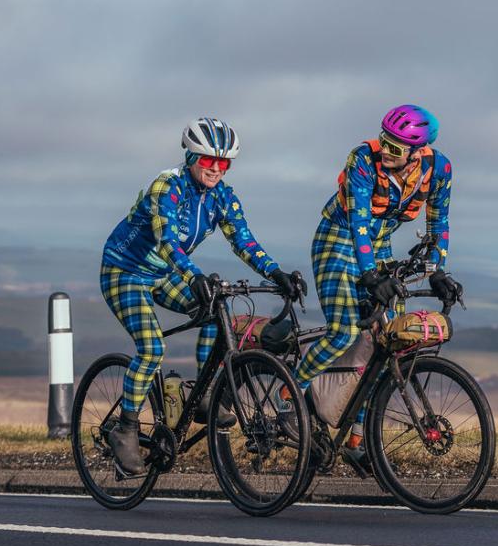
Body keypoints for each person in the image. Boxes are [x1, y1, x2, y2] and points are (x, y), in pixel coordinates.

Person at [101, 117, 304, 475]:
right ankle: (126, 428)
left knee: (215, 310)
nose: (215, 169)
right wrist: (194, 276)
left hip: (164, 275)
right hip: (125, 272)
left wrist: (276, 272)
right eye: (208, 161)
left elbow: (244, 241)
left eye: (223, 163)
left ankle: (204, 392)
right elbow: (168, 243)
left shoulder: (223, 196)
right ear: (191, 156)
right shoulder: (168, 186)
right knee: (152, 348)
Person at [290, 105, 463, 474]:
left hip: (379, 246)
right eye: (385, 141)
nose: (386, 151)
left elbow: (439, 220)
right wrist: (370, 276)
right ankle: (289, 398)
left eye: (397, 149)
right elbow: (358, 223)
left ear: (417, 153)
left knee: (387, 341)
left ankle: (357, 440)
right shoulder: (362, 159)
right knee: (344, 331)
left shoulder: (440, 169)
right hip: (338, 240)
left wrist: (437, 271)